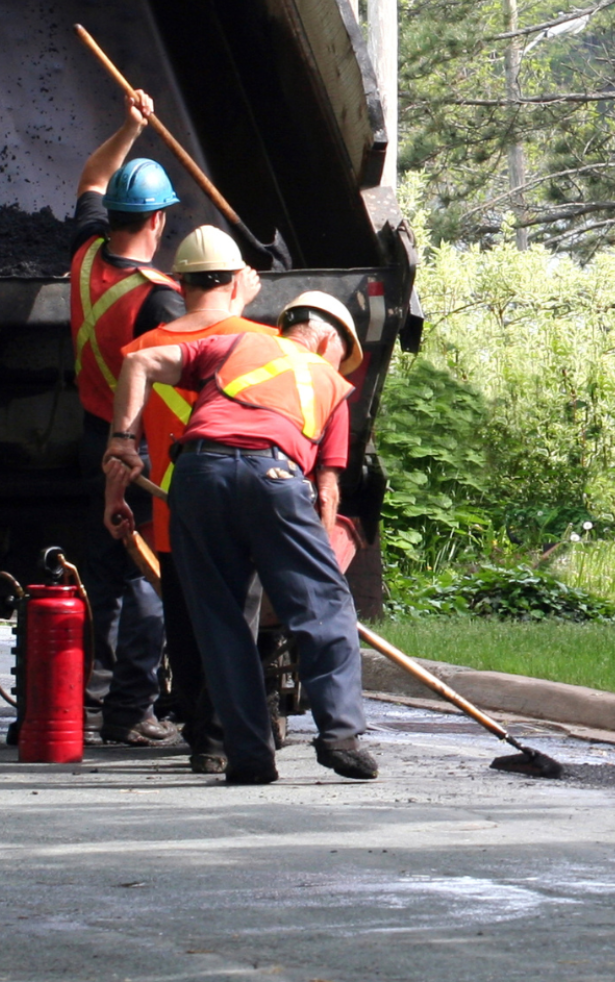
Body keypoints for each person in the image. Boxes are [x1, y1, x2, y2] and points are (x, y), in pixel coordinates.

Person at [103, 292, 375, 785]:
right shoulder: (332, 385)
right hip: (273, 475)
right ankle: (339, 736)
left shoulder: (231, 346)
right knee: (325, 608)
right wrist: (317, 565)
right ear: (327, 337)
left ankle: (248, 757)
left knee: (221, 624)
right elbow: (326, 490)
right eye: (343, 356)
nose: (342, 367)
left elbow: (139, 361)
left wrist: (124, 442)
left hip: (196, 478)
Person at [110, 224, 271, 774]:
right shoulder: (259, 341)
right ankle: (222, 738)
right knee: (237, 621)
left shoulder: (145, 350)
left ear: (178, 286)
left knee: (187, 625)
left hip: (173, 510)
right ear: (233, 282)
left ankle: (201, 735)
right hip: (243, 503)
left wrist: (116, 498)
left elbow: (121, 444)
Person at [68, 89, 182, 746]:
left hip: (90, 433)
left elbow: (92, 176)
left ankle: (88, 702)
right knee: (146, 581)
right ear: (160, 222)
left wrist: (129, 128)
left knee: (103, 576)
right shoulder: (160, 304)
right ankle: (130, 711)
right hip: (134, 451)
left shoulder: (84, 256)